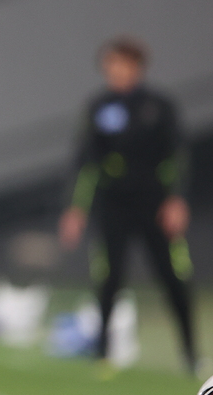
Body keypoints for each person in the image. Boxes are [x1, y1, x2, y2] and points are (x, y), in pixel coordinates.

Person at [58, 36, 197, 374]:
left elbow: (177, 156)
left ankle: (190, 353)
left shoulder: (159, 106)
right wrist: (75, 208)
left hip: (154, 201)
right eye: (110, 65)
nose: (115, 71)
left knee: (173, 275)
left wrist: (176, 199)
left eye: (121, 64)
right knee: (109, 276)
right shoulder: (99, 106)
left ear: (137, 66)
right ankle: (102, 352)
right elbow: (85, 161)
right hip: (113, 202)